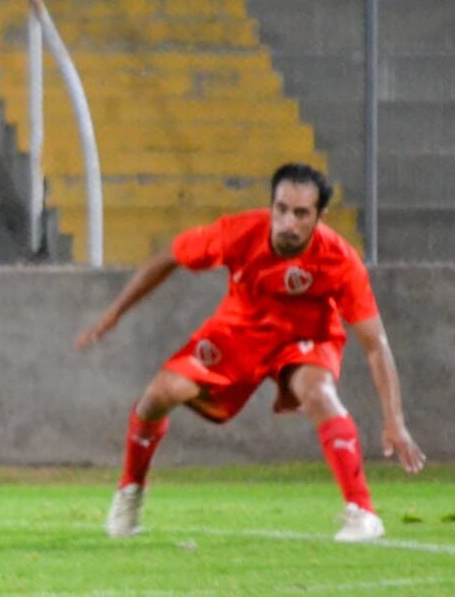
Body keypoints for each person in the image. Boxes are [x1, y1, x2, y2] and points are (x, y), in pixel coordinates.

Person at [74, 162, 425, 542]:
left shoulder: (340, 260)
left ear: (320, 217)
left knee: (319, 393)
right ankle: (130, 492)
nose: (288, 222)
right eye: (281, 209)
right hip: (238, 332)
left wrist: (395, 421)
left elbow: (376, 346)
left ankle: (363, 512)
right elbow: (169, 258)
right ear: (272, 205)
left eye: (301, 213)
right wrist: (114, 313)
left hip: (305, 338)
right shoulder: (238, 232)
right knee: (157, 395)